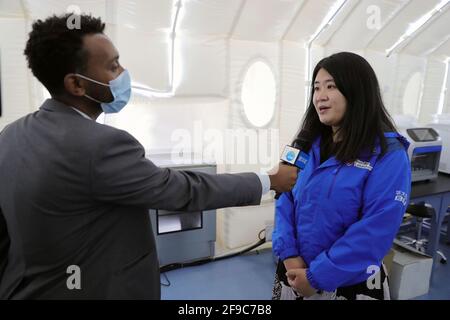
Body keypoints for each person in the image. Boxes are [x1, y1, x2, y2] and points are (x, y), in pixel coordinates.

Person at [0, 14, 298, 299]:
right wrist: (269, 181)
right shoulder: (100, 145)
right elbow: (183, 191)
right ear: (76, 84)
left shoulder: (11, 135)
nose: (123, 74)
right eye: (113, 66)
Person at [272, 52, 411, 300]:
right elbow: (284, 197)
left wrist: (316, 277)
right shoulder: (305, 144)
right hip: (295, 274)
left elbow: (374, 230)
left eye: (331, 86)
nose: (320, 96)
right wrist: (290, 256)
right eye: (316, 88)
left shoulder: (388, 156)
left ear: (357, 91)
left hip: (348, 284)